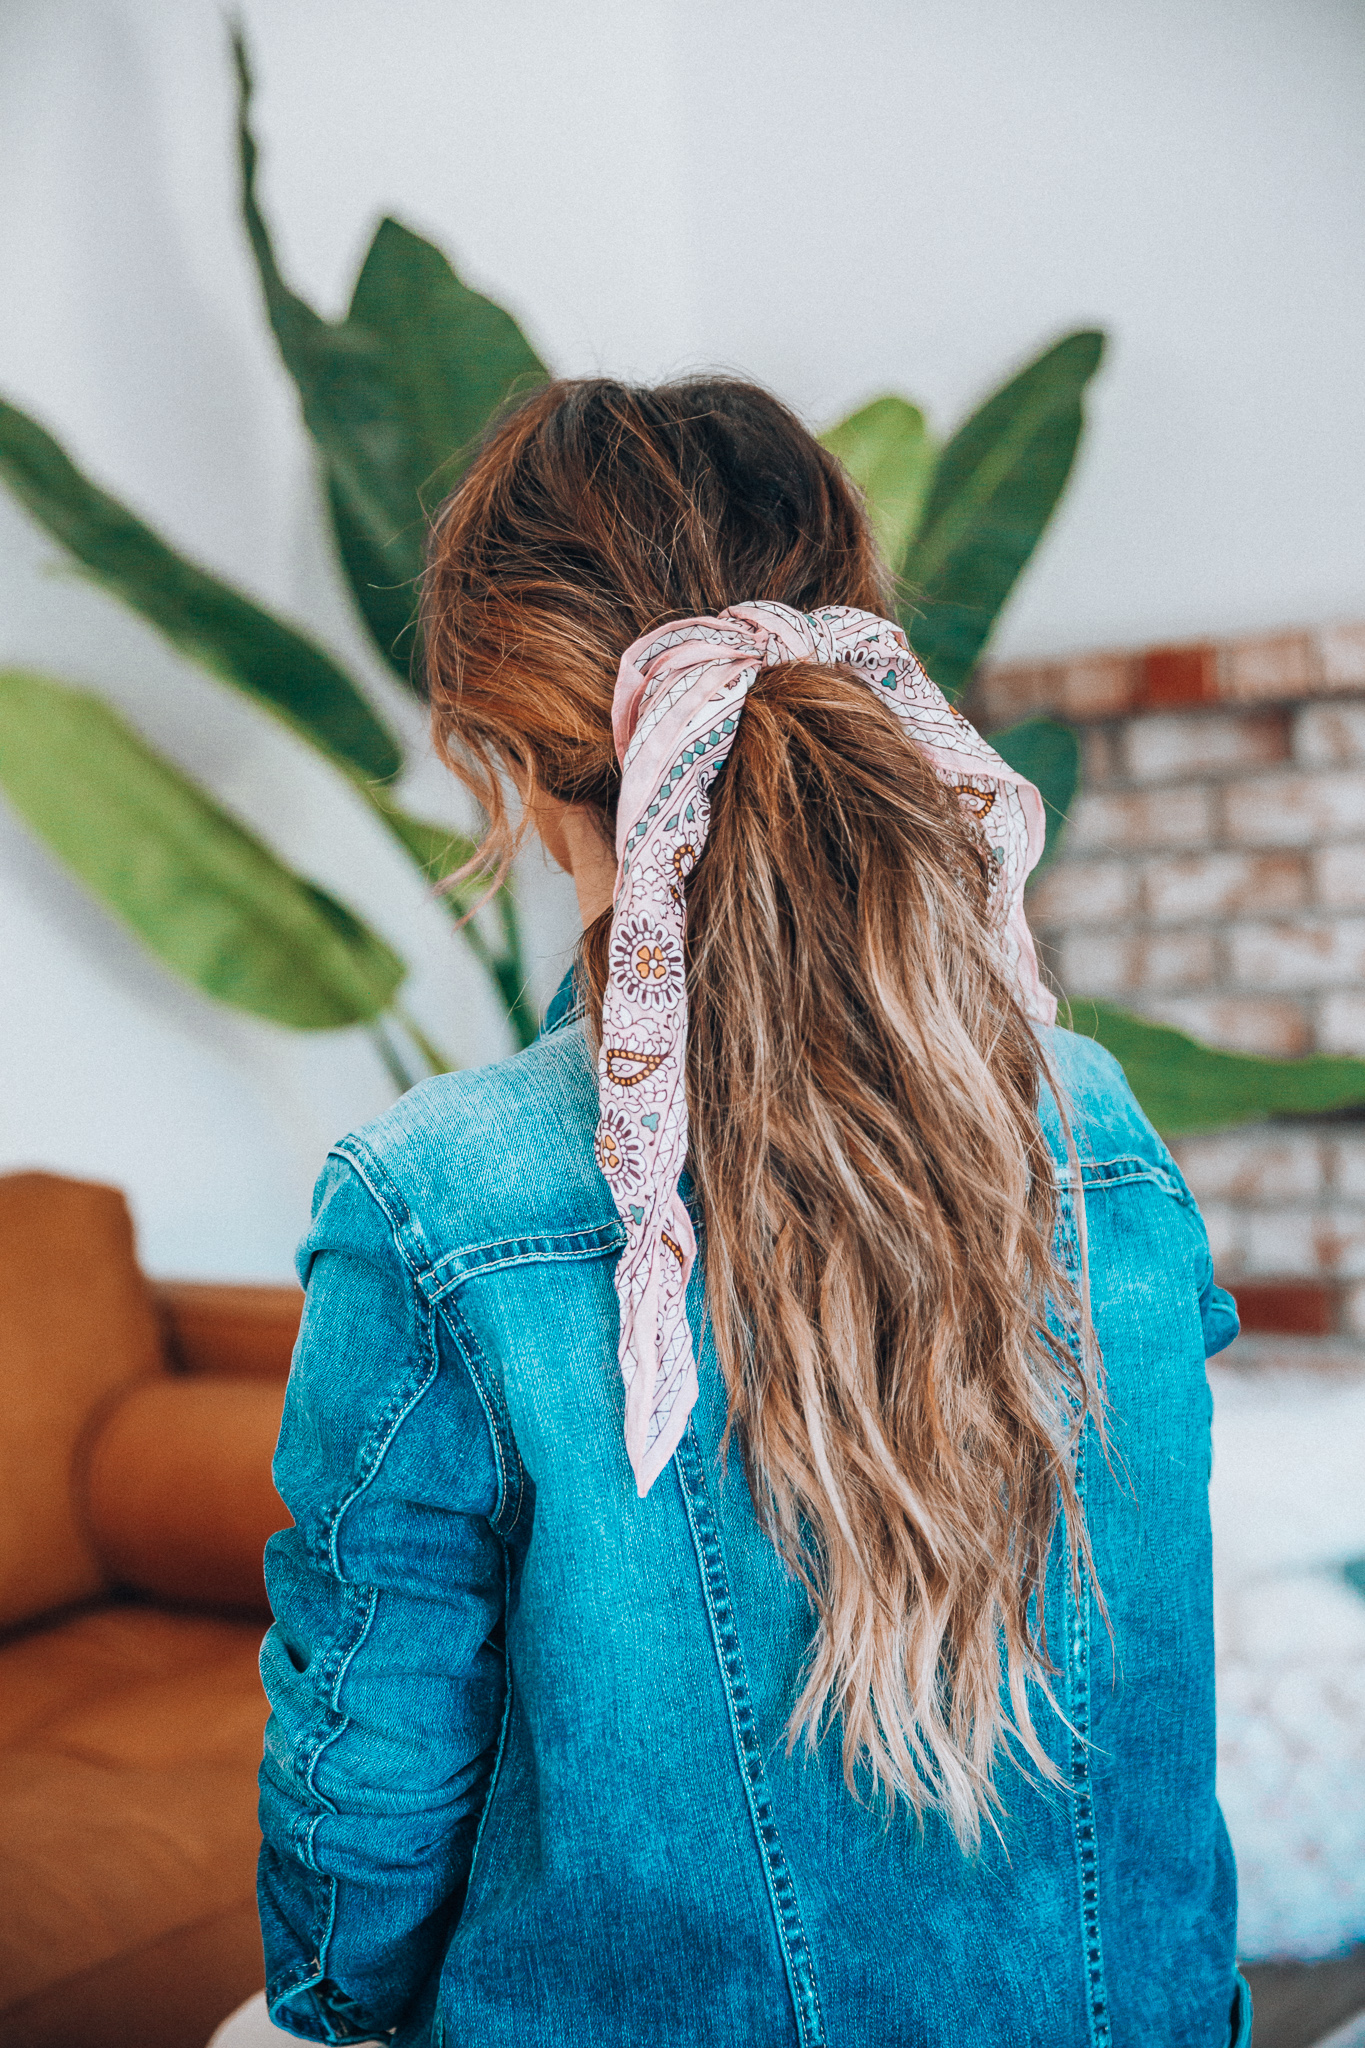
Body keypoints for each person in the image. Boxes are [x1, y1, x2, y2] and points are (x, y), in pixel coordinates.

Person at [256, 377, 1249, 2048]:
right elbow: (1149, 1696)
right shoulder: (1100, 1134)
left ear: (490, 746)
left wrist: (336, 2006)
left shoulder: (431, 1207)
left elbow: (364, 1801)